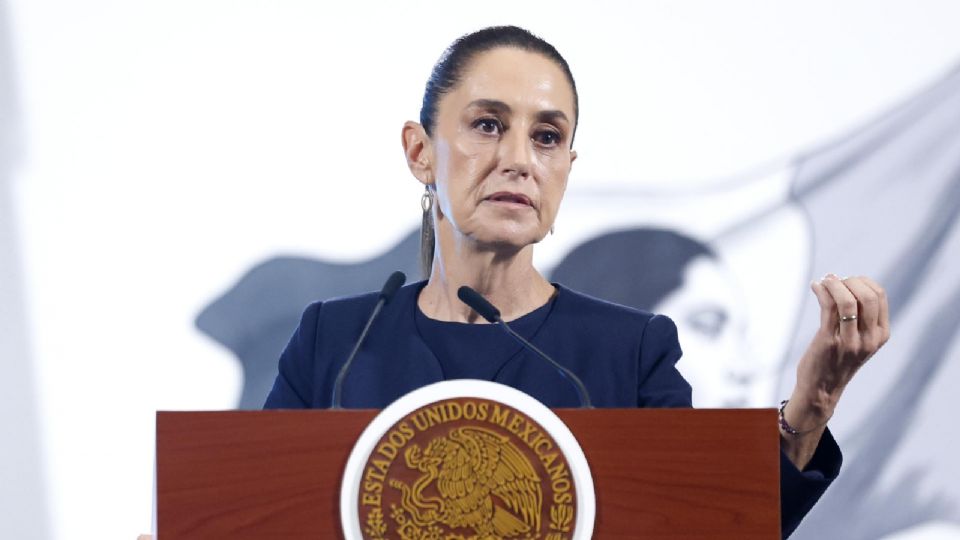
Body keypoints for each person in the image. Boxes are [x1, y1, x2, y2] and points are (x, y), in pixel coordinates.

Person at [262, 26, 890, 538]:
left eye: (546, 137)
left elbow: (713, 529)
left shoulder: (630, 350)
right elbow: (248, 513)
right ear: (420, 151)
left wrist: (811, 407)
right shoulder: (336, 342)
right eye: (487, 124)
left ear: (566, 167)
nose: (519, 159)